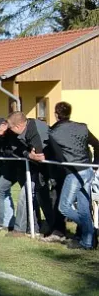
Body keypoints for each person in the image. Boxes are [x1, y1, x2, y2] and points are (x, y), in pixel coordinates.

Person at [47, 102, 99, 250]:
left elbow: (56, 156)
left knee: (64, 207)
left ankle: (90, 229)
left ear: (56, 114)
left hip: (74, 172)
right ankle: (87, 243)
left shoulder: (53, 133)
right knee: (83, 208)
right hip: (88, 170)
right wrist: (95, 164)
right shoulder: (82, 127)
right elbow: (97, 144)